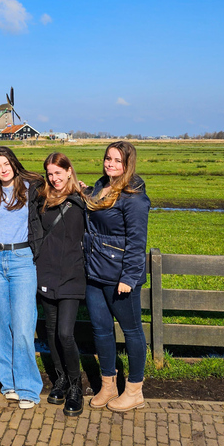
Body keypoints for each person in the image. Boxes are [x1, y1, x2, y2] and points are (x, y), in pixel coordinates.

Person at [83, 141, 150, 412]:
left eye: (117, 161)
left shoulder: (134, 198)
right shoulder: (100, 187)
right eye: (108, 158)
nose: (110, 164)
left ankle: (134, 390)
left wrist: (129, 277)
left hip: (118, 275)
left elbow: (137, 241)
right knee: (101, 330)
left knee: (132, 330)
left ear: (128, 164)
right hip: (94, 272)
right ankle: (108, 385)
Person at [0, 146, 44, 409]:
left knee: (24, 325)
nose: (2, 169)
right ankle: (9, 383)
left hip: (21, 260)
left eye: (6, 163)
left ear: (14, 163)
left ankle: (28, 388)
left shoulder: (33, 187)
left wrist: (80, 187)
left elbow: (61, 189)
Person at [36, 152, 87, 416]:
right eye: (50, 173)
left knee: (66, 333)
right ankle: (61, 379)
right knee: (52, 331)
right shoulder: (42, 198)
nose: (54, 178)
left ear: (69, 171)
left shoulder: (83, 199)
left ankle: (77, 384)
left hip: (72, 274)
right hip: (46, 273)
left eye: (59, 172)